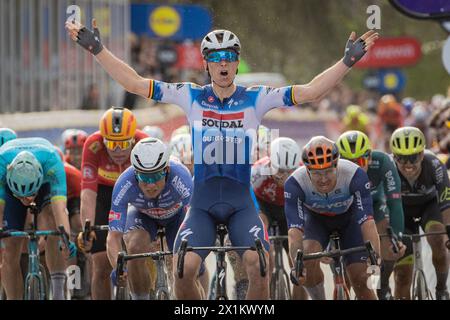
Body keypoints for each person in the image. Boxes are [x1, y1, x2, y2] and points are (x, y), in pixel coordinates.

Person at [66, 19, 378, 299]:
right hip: (201, 205)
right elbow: (134, 83)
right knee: (183, 271)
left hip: (241, 204)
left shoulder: (256, 97)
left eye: (229, 56)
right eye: (215, 58)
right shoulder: (190, 95)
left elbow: (310, 91)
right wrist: (97, 49)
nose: (223, 63)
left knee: (261, 266)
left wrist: (348, 61)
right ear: (206, 65)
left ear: (237, 62)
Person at [106, 137, 208, 299]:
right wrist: (118, 267)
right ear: (135, 174)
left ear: (166, 170)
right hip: (143, 216)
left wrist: (195, 258)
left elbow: (196, 220)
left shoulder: (180, 176)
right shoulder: (124, 183)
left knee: (187, 263)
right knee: (134, 247)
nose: (150, 184)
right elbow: (113, 237)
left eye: (155, 176)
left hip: (177, 217)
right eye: (144, 178)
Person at [285, 136, 380, 300]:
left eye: (328, 171)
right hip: (316, 221)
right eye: (316, 173)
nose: (323, 179)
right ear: (307, 170)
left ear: (337, 165)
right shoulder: (295, 183)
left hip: (349, 220)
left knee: (361, 280)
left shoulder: (354, 174)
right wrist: (297, 265)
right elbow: (294, 231)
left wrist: (376, 259)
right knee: (306, 260)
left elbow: (367, 222)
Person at [76, 107, 147, 299]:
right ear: (103, 139)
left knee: (139, 250)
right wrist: (87, 227)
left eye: (123, 143)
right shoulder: (93, 145)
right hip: (105, 194)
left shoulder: (144, 143)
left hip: (136, 192)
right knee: (99, 263)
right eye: (111, 143)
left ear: (133, 139)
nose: (117, 150)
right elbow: (88, 193)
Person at [0, 138, 76, 300]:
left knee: (54, 224)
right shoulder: (1, 165)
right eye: (22, 196)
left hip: (45, 185)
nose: (27, 200)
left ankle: (58, 293)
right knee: (9, 252)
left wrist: (66, 239)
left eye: (30, 195)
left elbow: (60, 209)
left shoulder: (52, 163)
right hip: (9, 191)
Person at [337, 130, 406, 300]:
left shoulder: (382, 161)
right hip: (345, 209)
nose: (355, 168)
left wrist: (396, 237)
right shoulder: (333, 171)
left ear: (369, 157)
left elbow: (394, 202)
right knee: (342, 261)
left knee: (386, 244)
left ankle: (380, 285)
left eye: (360, 161)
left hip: (374, 205)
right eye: (348, 162)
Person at [389, 127, 450, 300]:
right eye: (401, 158)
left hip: (429, 208)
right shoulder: (388, 169)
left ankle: (441, 288)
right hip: (400, 212)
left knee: (438, 239)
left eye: (413, 157)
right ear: (394, 157)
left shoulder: (435, 164)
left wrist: (449, 230)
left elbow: (446, 202)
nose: (408, 164)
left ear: (422, 154)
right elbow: (380, 205)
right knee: (402, 276)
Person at [251, 137, 308, 299]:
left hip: (288, 209)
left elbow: (307, 206)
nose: (285, 176)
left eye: (290, 171)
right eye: (280, 170)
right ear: (270, 164)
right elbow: (250, 202)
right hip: (264, 207)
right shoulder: (257, 171)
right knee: (263, 251)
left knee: (299, 264)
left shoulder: (304, 173)